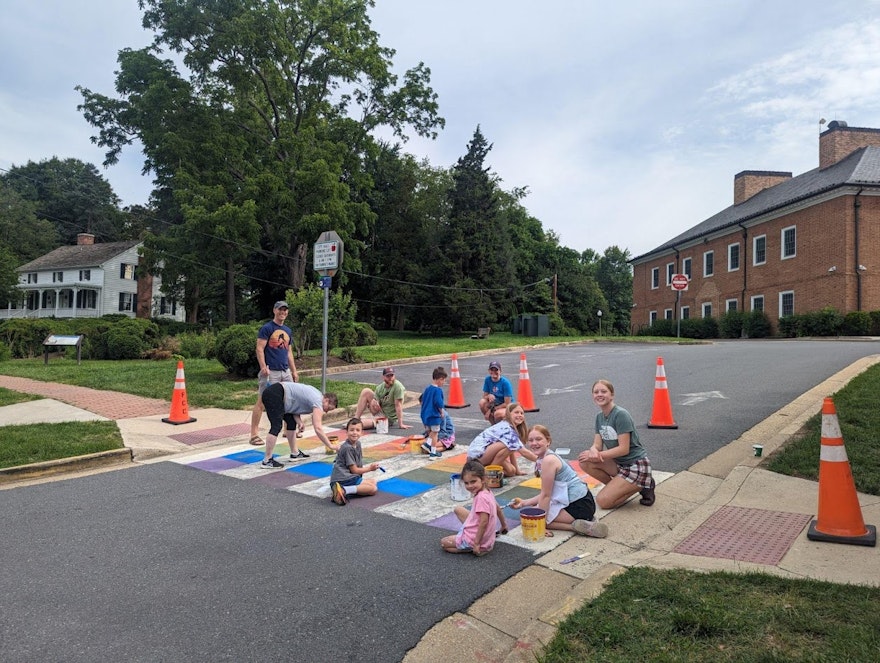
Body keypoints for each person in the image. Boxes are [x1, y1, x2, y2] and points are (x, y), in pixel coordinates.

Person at [510, 425, 608, 538]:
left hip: (579, 506)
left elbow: (546, 495)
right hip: (583, 502)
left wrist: (542, 525)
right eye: (531, 440)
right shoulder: (545, 457)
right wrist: (524, 502)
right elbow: (548, 493)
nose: (534, 443)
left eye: (538, 439)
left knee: (533, 519)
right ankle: (582, 523)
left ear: (548, 441)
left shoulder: (548, 460)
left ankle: (576, 526)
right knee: (536, 511)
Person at [578, 379, 656, 509]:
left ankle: (641, 484)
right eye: (596, 392)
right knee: (585, 461)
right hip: (618, 464)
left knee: (603, 501)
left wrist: (598, 455)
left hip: (635, 465)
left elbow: (623, 449)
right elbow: (597, 444)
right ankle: (619, 487)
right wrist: (592, 451)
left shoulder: (621, 414)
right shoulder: (599, 417)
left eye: (604, 391)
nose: (599, 394)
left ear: (612, 395)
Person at [250, 301, 299, 445]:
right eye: (280, 310)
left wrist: (294, 371)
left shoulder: (288, 331)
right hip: (271, 372)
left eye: (285, 310)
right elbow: (259, 348)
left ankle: (287, 429)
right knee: (262, 401)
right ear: (274, 310)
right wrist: (263, 367)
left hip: (285, 371)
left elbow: (289, 352)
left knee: (290, 400)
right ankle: (254, 434)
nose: (282, 312)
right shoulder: (267, 328)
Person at [259, 382, 338, 469]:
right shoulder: (318, 401)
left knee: (291, 422)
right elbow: (318, 428)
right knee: (276, 426)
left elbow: (296, 403)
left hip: (280, 395)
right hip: (275, 393)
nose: (326, 411)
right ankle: (267, 460)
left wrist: (299, 421)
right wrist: (330, 445)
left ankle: (295, 453)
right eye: (329, 408)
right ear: (326, 400)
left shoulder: (317, 396)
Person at [440, 460, 509, 556]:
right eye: (466, 483)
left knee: (444, 543)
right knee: (458, 509)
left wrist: (476, 543)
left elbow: (483, 522)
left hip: (478, 540)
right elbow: (497, 509)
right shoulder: (487, 491)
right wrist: (504, 525)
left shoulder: (481, 498)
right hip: (487, 535)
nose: (470, 486)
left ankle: (472, 547)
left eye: (473, 481)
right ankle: (478, 542)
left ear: (483, 479)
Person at [466, 403, 538, 477]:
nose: (519, 415)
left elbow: (512, 448)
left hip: (485, 454)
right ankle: (490, 473)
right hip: (476, 457)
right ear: (508, 414)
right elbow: (524, 452)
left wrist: (517, 471)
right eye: (516, 412)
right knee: (509, 445)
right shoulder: (506, 428)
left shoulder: (509, 428)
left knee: (511, 471)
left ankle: (483, 470)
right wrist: (542, 460)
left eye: (522, 413)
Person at [329, 418, 382, 505]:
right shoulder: (347, 448)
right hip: (343, 478)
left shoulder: (358, 444)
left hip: (347, 477)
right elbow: (355, 470)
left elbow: (357, 466)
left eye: (358, 430)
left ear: (362, 432)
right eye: (351, 430)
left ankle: (343, 489)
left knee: (373, 481)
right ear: (346, 432)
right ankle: (344, 490)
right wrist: (370, 468)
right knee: (373, 489)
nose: (354, 432)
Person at [419, 366, 448, 454]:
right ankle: (433, 451)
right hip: (434, 415)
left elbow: (423, 400)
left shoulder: (428, 389)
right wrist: (441, 411)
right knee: (435, 433)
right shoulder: (438, 390)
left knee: (432, 431)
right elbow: (439, 403)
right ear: (440, 379)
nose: (444, 382)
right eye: (443, 380)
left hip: (425, 414)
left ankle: (428, 446)